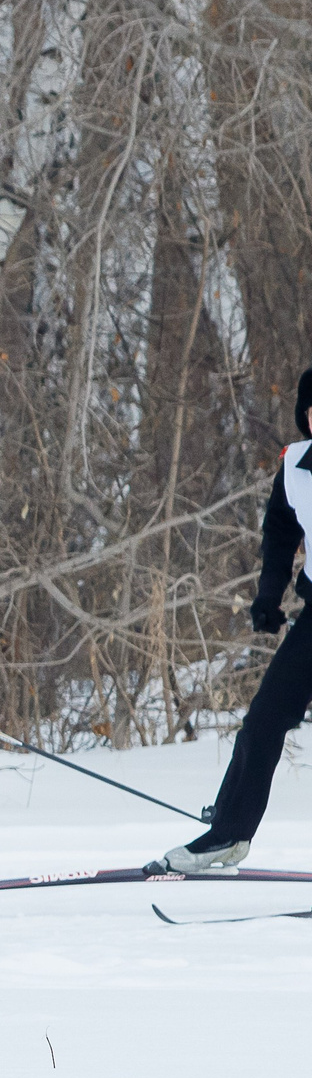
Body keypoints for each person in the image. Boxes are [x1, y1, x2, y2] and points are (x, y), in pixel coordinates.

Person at [166, 366, 312, 872]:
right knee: (264, 720)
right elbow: (278, 537)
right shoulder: (295, 467)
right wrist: (268, 597)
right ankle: (228, 835)